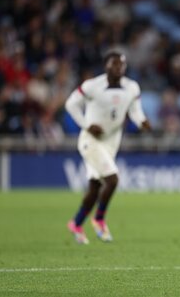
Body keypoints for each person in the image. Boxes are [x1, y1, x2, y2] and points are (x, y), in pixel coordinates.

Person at [65, 50, 151, 244]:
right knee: (112, 180)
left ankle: (76, 223)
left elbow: (135, 110)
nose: (119, 67)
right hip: (90, 140)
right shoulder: (92, 86)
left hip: (112, 140)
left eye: (122, 64)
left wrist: (141, 121)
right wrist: (86, 124)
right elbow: (71, 104)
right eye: (115, 64)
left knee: (95, 187)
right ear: (106, 66)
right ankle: (99, 219)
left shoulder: (132, 87)